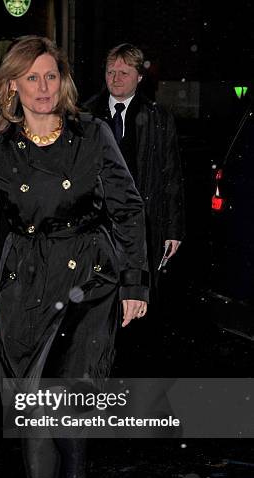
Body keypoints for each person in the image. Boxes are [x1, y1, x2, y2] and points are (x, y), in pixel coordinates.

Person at [0, 35, 148, 478]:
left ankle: (77, 476)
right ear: (11, 85)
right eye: (31, 78)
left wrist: (135, 282)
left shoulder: (92, 134)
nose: (42, 88)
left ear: (63, 82)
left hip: (90, 274)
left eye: (50, 76)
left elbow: (127, 209)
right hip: (25, 279)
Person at [84, 43, 185, 298]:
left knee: (136, 295)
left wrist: (173, 229)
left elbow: (170, 175)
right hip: (96, 222)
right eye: (110, 72)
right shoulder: (85, 115)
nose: (115, 79)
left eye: (124, 73)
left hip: (141, 222)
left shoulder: (157, 118)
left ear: (139, 77)